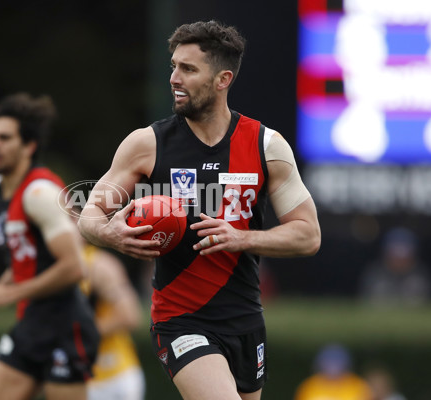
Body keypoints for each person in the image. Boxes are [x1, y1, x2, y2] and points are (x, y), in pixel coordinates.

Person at [78, 20, 321, 400]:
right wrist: (108, 232)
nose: (174, 77)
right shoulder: (147, 144)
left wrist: (243, 237)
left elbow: (308, 234)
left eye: (188, 69)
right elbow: (90, 213)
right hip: (181, 319)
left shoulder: (265, 145)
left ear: (223, 79)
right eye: (173, 66)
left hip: (245, 318)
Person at [0, 93, 99, 400]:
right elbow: (23, 260)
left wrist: (7, 295)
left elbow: (74, 266)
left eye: (4, 137)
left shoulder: (40, 192)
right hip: (31, 324)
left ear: (29, 146)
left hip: (67, 325)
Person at [79, 242, 146, 400]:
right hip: (78, 377)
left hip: (112, 376)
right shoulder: (52, 264)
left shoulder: (98, 264)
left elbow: (130, 317)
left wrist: (74, 333)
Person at [358, 227, 431, 306]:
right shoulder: (374, 274)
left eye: (404, 255)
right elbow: (363, 304)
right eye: (395, 254)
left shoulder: (421, 275)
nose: (399, 260)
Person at [294, 344, 373, 400]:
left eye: (337, 365)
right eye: (329, 365)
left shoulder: (358, 386)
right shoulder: (309, 387)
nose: (333, 371)